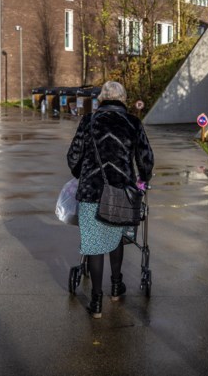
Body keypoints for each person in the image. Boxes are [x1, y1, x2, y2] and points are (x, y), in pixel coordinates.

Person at [66, 81, 154, 318]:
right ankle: (116, 287)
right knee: (116, 238)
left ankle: (96, 302)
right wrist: (142, 184)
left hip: (91, 192)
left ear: (101, 99)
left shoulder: (89, 121)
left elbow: (73, 156)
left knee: (94, 245)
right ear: (123, 99)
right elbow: (146, 159)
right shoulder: (132, 123)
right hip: (122, 192)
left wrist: (81, 175)